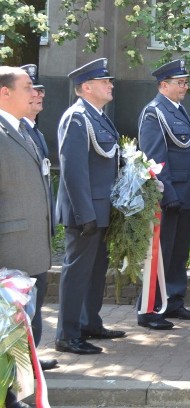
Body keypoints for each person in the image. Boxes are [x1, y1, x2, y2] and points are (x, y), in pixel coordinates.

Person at [55, 58, 125, 356]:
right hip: (86, 212)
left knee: (96, 271)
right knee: (77, 272)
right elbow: (74, 171)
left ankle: (89, 322)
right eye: (104, 81)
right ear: (86, 87)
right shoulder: (77, 118)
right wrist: (85, 214)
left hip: (101, 209)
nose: (110, 85)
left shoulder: (98, 116)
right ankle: (67, 334)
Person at [0, 66, 54, 408]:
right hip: (12, 250)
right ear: (5, 92)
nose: (33, 93)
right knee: (8, 330)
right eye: (25, 88)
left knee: (25, 328)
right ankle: (8, 394)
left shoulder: (23, 129)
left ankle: (18, 391)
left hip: (32, 248)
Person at [136, 59, 190, 331]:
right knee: (160, 254)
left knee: (178, 252)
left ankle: (173, 300)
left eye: (185, 82)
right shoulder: (154, 112)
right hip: (168, 195)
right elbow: (154, 157)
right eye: (179, 83)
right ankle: (149, 309)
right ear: (163, 85)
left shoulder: (179, 110)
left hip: (186, 193)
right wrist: (167, 191)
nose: (184, 87)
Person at [17, 64, 58, 372]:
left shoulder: (34, 132)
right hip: (18, 235)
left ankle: (31, 355)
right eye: (31, 89)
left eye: (41, 90)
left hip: (36, 231)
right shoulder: (14, 132)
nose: (38, 95)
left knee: (36, 296)